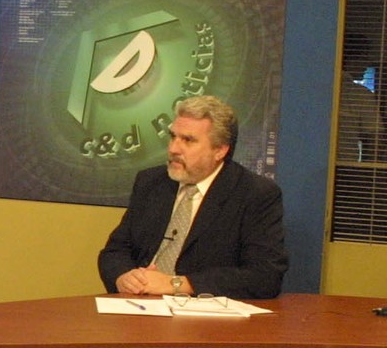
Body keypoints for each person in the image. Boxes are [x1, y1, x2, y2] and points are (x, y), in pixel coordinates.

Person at [97, 95, 288, 299]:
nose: (173, 149)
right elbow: (115, 251)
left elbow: (264, 276)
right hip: (140, 303)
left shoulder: (254, 194)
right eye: (173, 137)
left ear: (220, 150)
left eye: (188, 140)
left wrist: (178, 284)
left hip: (201, 311)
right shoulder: (151, 182)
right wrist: (124, 277)